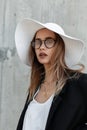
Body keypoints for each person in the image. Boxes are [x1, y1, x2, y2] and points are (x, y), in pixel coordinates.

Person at [15, 18, 87, 130]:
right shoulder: (34, 90)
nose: (41, 47)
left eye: (48, 41)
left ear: (59, 46)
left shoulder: (79, 84)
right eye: (38, 42)